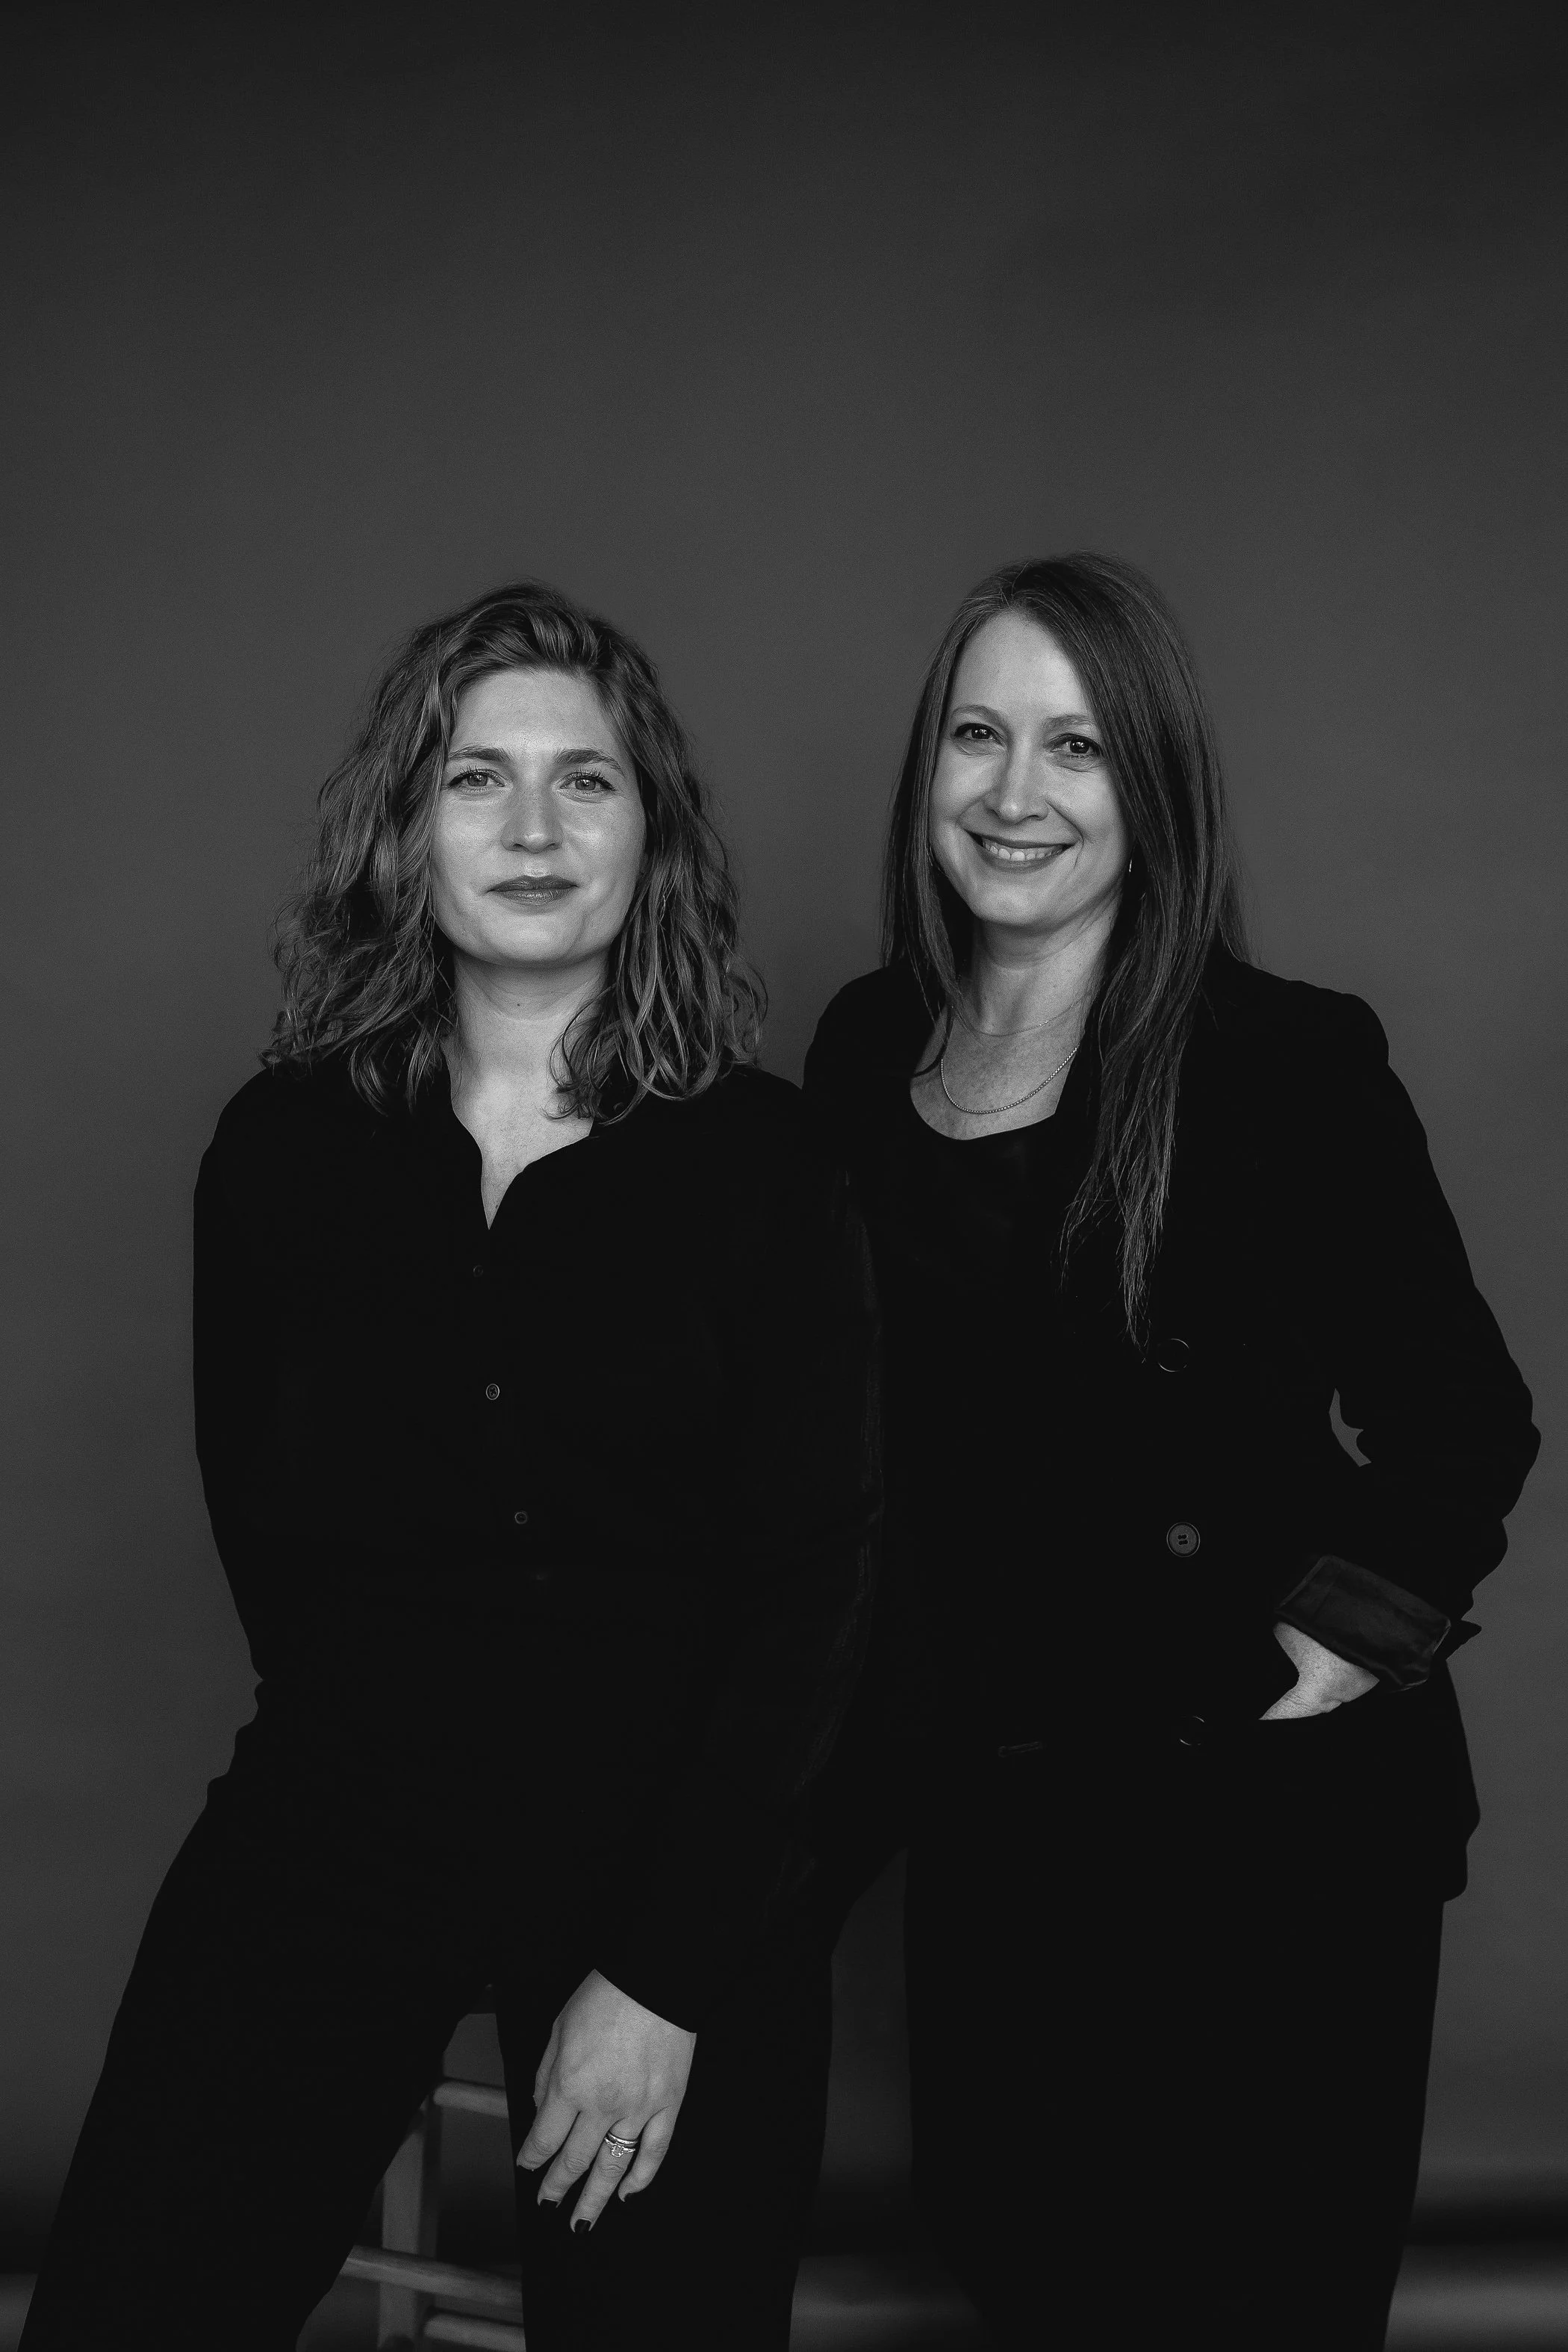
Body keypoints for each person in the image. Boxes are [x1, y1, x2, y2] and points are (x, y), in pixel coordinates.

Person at [23, 582, 880, 2352]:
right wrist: (379, 1769)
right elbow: (260, 1515)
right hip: (345, 1810)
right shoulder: (280, 1151)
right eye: (478, 780)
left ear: (656, 832)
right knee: (125, 2304)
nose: (536, 829)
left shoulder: (769, 1165)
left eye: (589, 781)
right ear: (405, 831)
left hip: (673, 1849)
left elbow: (817, 1585)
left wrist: (661, 1974)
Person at [801, 554, 1540, 2349]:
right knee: (1027, 2263)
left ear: (1156, 785)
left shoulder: (1284, 1062)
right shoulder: (863, 1047)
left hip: (1269, 1838)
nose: (1015, 792)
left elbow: (1465, 1417)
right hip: (1006, 1817)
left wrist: (1319, 1659)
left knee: (1244, 2310)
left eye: (1077, 745)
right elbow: (848, 1465)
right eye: (978, 735)